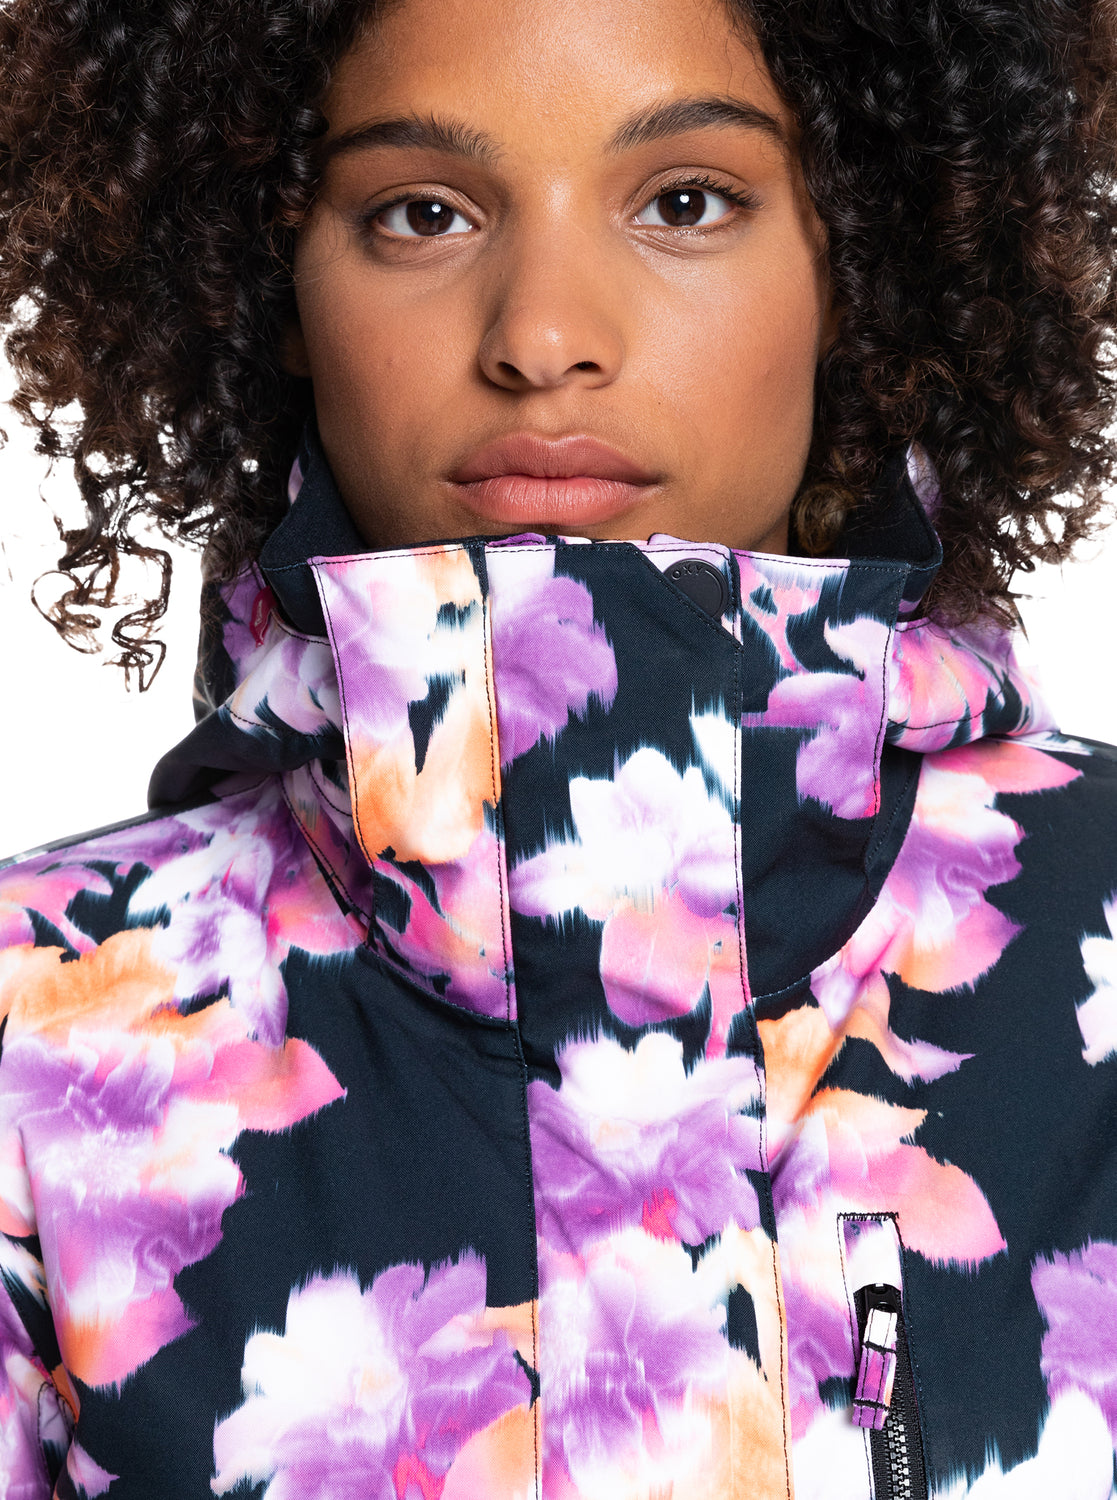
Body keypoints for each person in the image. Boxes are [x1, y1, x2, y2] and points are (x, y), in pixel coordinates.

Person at [0, 0, 1115, 1494]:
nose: (540, 338)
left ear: (857, 262)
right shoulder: (35, 1032)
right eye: (422, 213)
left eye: (686, 203)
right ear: (274, 284)